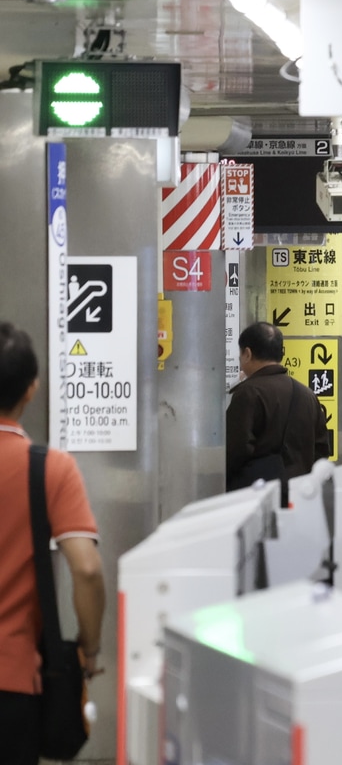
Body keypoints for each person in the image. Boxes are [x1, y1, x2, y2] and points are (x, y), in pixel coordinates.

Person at [0, 322, 105, 765]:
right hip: (12, 682)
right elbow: (86, 568)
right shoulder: (49, 469)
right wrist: (90, 646)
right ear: (32, 389)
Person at [226, 322, 332, 502]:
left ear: (247, 354)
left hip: (257, 499)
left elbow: (236, 449)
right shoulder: (307, 395)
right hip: (300, 497)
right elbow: (321, 451)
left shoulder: (248, 393)